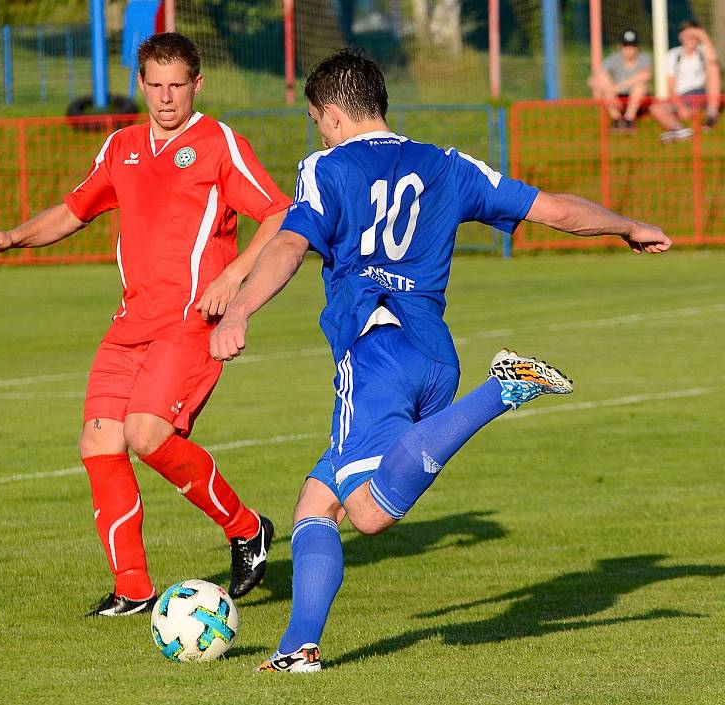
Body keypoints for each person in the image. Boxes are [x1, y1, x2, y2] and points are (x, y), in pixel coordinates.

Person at [208, 49, 673, 672]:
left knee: (368, 514)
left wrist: (238, 310)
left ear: (332, 114)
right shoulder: (447, 164)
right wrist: (627, 225)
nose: (318, 130)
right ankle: (297, 649)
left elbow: (291, 242)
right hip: (434, 354)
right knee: (317, 503)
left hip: (374, 350)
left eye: (318, 118)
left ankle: (503, 391)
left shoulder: (324, 168)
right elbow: (555, 210)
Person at [0, 32, 291, 616]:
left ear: (197, 84)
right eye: (155, 85)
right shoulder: (121, 147)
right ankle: (134, 589)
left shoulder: (218, 143)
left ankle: (246, 529)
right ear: (141, 85)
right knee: (99, 442)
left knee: (147, 435)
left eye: (178, 86)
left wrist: (235, 277)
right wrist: (13, 236)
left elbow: (279, 212)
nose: (166, 98)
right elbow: (74, 209)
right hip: (130, 323)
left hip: (190, 322)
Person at [650, 20, 722, 142]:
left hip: (702, 94)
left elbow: (713, 60)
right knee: (655, 108)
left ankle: (711, 116)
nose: (692, 40)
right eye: (689, 36)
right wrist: (681, 107)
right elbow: (671, 88)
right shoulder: (673, 55)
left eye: (695, 37)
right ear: (681, 37)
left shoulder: (703, 51)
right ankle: (679, 130)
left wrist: (703, 36)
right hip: (682, 97)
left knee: (713, 67)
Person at [587, 29, 652, 132]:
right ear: (620, 47)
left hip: (636, 97)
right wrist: (609, 90)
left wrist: (618, 87)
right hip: (616, 96)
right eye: (626, 46)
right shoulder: (614, 58)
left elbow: (646, 75)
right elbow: (593, 79)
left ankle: (628, 119)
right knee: (602, 80)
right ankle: (616, 119)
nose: (629, 50)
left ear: (636, 48)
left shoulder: (644, 58)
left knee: (640, 85)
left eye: (632, 46)